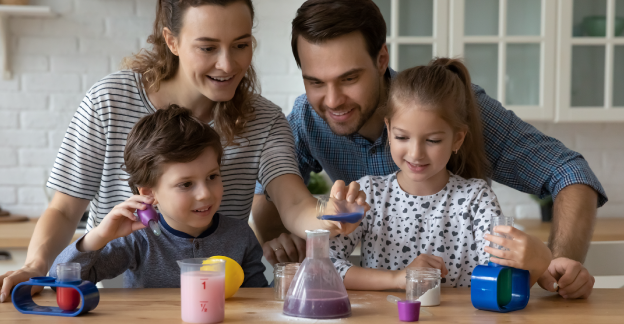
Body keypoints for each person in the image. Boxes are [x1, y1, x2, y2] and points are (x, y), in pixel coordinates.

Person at [0, 0, 366, 303]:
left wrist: (330, 217)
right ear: (172, 40)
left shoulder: (263, 119)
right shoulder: (109, 101)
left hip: (218, 304)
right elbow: (64, 209)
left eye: (241, 45)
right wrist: (34, 267)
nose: (228, 64)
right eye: (208, 47)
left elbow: (294, 204)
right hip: (114, 299)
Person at [254, 0, 602, 299]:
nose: (332, 101)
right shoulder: (306, 119)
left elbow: (569, 173)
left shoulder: (451, 106)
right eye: (315, 82)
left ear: (381, 59)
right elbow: (272, 199)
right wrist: (280, 240)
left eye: (349, 78)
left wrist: (557, 273)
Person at [329, 58, 552, 290]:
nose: (415, 154)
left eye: (433, 140)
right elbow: (325, 265)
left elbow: (503, 283)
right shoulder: (369, 195)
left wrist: (540, 260)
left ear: (457, 138)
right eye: (402, 137)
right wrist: (399, 279)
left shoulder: (475, 199)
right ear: (388, 128)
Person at [49, 105, 268, 288]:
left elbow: (257, 301)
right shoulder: (138, 239)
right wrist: (98, 237)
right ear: (149, 193)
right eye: (186, 184)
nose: (205, 194)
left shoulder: (240, 236)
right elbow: (59, 282)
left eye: (212, 176)